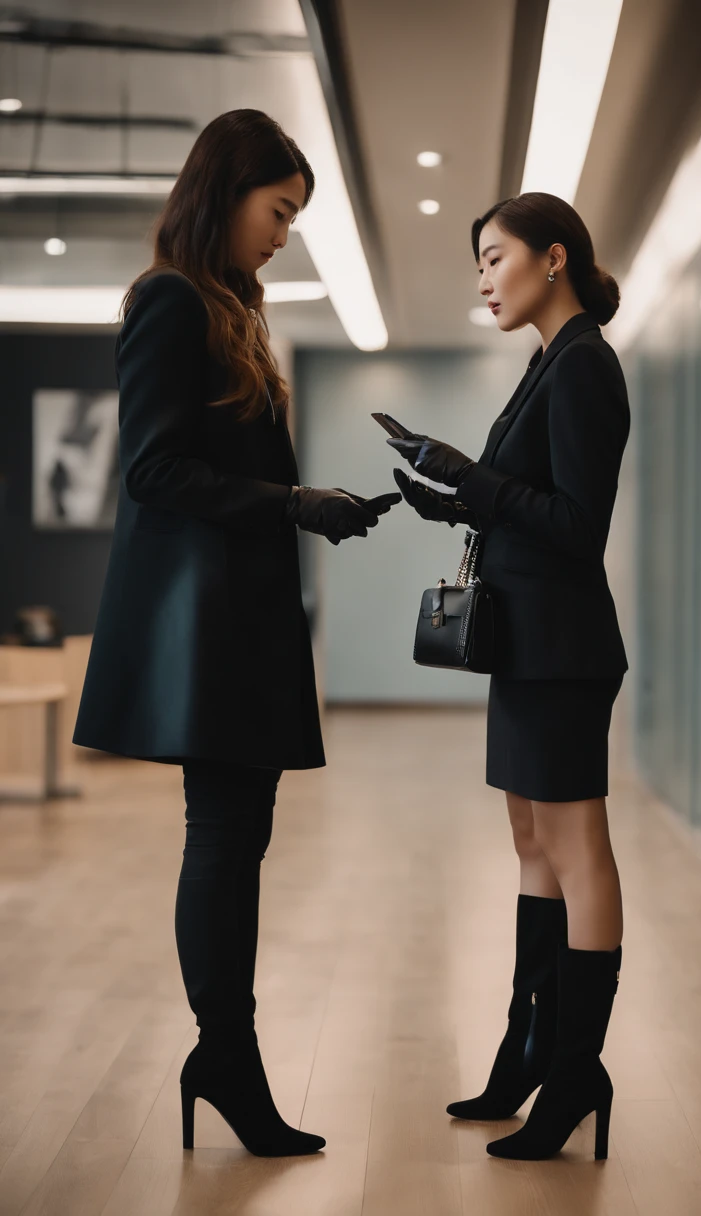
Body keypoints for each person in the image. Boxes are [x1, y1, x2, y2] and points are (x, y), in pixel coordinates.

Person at [73, 110, 400, 1158]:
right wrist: (291, 501)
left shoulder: (225, 308)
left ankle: (226, 1055)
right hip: (209, 627)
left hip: (239, 620)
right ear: (228, 193)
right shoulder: (170, 301)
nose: (283, 233)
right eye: (279, 210)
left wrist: (299, 503)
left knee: (236, 841)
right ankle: (227, 1053)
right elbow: (153, 471)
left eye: (295, 216)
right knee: (221, 840)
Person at [389, 192, 629, 1161]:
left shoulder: (583, 367)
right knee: (532, 840)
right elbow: (521, 504)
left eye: (494, 257)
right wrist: (446, 496)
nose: (484, 278)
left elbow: (577, 524)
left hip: (563, 650)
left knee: (575, 847)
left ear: (554, 258)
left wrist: (471, 480)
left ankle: (575, 1069)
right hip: (528, 642)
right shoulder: (545, 363)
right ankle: (525, 1047)